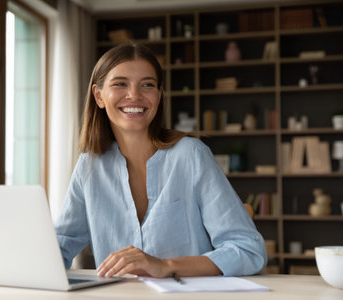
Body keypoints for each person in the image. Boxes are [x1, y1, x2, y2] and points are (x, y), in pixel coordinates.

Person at [55, 43, 267, 279]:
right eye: (120, 84)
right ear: (99, 96)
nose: (134, 95)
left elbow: (249, 250)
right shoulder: (89, 166)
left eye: (147, 84)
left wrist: (165, 265)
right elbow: (58, 247)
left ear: (158, 95)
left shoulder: (191, 156)